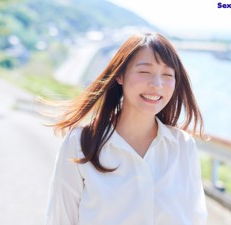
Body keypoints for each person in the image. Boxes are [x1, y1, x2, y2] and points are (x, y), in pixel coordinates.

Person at [45, 32, 207, 225]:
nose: (157, 84)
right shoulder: (80, 142)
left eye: (167, 74)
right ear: (120, 75)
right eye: (144, 72)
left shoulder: (182, 145)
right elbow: (60, 219)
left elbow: (195, 218)